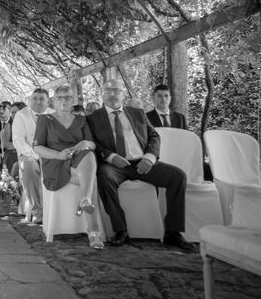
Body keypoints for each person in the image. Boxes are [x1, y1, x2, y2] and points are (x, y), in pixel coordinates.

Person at [87, 79, 192, 250]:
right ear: (102, 93)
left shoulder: (137, 113)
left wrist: (150, 157)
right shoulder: (92, 118)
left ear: (123, 93)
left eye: (117, 90)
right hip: (115, 166)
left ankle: (173, 232)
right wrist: (111, 157)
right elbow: (92, 142)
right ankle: (120, 230)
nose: (113, 94)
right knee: (104, 176)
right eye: (108, 90)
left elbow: (154, 136)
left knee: (177, 176)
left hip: (142, 162)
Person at [33, 84, 103, 249]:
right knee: (88, 179)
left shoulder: (81, 120)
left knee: (89, 155)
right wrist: (58, 155)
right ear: (53, 101)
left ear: (73, 100)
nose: (63, 100)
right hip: (55, 162)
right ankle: (93, 231)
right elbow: (37, 148)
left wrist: (86, 143)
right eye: (60, 97)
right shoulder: (45, 120)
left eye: (67, 97)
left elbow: (91, 145)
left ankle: (85, 201)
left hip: (78, 159)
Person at [12, 88, 53, 225]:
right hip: (28, 155)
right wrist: (37, 156)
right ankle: (38, 211)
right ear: (30, 100)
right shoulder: (21, 115)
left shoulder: (54, 114)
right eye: (34, 98)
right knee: (29, 167)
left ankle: (59, 210)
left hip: (51, 155)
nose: (38, 102)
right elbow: (19, 141)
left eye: (42, 99)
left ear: (48, 101)